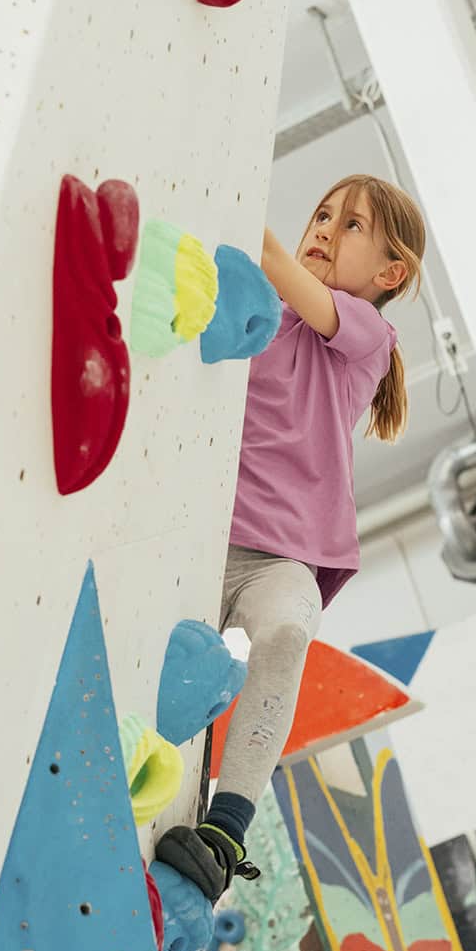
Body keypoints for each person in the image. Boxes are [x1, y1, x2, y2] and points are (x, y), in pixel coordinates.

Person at [157, 174, 426, 903]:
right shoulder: (258, 317)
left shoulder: (366, 337)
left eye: (351, 227)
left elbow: (277, 267)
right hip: (203, 541)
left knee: (283, 634)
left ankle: (227, 825)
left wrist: (227, 189)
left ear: (387, 274)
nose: (326, 229)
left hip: (280, 557)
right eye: (323, 214)